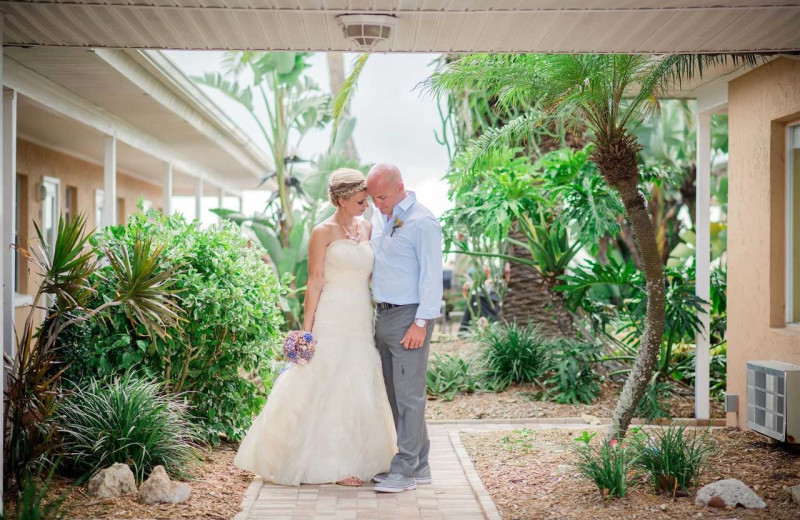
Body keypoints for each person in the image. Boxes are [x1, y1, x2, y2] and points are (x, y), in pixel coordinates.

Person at [234, 168, 396, 487]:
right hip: (332, 314)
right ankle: (335, 465)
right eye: (361, 199)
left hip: (361, 315)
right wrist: (306, 332)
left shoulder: (368, 227)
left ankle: (360, 457)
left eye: (367, 198)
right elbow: (315, 282)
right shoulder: (322, 232)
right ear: (340, 199)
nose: (367, 203)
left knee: (359, 380)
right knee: (328, 381)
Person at [367, 163, 443, 493]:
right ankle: (420, 464)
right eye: (372, 198)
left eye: (381, 197)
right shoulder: (378, 219)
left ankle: (405, 470)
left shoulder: (422, 222)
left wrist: (421, 323)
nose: (377, 203)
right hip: (382, 315)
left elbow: (431, 276)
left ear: (400, 187)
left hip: (410, 316)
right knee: (397, 394)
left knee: (409, 397)